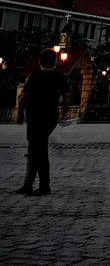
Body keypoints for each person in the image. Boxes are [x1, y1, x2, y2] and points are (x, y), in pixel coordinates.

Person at [16, 48, 69, 196]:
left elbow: (24, 97)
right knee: (36, 149)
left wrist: (20, 114)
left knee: (38, 151)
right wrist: (64, 114)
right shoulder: (61, 77)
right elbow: (66, 98)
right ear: (55, 62)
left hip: (35, 115)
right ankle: (29, 184)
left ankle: (43, 185)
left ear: (40, 62)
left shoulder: (34, 77)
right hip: (51, 116)